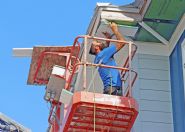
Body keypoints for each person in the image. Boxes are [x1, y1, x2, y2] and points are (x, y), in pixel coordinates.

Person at [92, 22, 126, 96]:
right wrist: (115, 30)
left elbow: (107, 53)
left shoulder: (99, 57)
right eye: (98, 42)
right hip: (113, 89)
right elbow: (122, 42)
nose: (101, 41)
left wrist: (108, 40)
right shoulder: (103, 54)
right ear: (96, 47)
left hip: (111, 89)